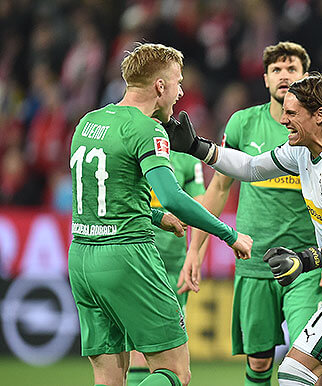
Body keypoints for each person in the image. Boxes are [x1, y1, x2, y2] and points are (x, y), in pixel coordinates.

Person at [166, 72, 322, 386]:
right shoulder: (304, 152)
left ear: (319, 115)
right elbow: (250, 168)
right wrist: (197, 147)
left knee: (292, 373)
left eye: (292, 113)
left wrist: (306, 259)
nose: (283, 120)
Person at [68, 42, 252, 386]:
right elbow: (172, 196)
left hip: (81, 259)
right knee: (175, 373)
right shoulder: (146, 129)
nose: (181, 92)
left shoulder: (88, 122)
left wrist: (154, 216)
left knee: (108, 377)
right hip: (126, 257)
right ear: (160, 86)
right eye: (178, 82)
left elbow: (107, 196)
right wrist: (230, 235)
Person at [191, 41, 322, 386]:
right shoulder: (242, 124)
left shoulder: (318, 128)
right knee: (259, 361)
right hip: (255, 260)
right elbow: (218, 189)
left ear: (304, 78)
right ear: (265, 79)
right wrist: (196, 250)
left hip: (305, 263)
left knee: (308, 355)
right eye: (276, 70)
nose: (284, 75)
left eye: (291, 69)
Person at [127, 151, 210, 386]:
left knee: (174, 360)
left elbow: (201, 210)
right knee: (136, 350)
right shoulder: (132, 151)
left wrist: (195, 259)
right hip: (137, 262)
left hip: (173, 268)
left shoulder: (185, 159)